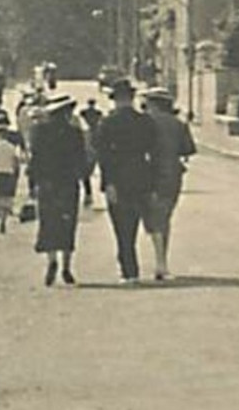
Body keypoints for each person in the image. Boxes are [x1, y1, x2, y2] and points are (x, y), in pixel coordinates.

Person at [93, 78, 159, 284]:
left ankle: (129, 269)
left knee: (121, 227)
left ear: (115, 99)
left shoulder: (108, 122)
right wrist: (153, 183)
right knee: (135, 223)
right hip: (141, 175)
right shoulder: (145, 121)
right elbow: (154, 152)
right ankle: (131, 267)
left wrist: (107, 183)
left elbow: (103, 155)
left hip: (118, 177)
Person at [28, 94, 87, 285]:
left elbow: (34, 159)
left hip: (47, 183)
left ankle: (52, 260)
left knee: (49, 222)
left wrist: (33, 184)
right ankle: (66, 266)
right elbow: (81, 160)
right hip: (68, 183)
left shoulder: (39, 131)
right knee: (67, 223)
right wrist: (85, 186)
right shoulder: (74, 133)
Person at [142, 87, 197, 280]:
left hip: (148, 173)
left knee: (152, 217)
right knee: (164, 217)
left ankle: (159, 262)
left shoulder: (146, 122)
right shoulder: (178, 124)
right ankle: (161, 261)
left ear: (154, 104)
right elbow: (188, 149)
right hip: (172, 174)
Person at [77, 98, 104, 207]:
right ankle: (91, 193)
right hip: (95, 138)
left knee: (86, 170)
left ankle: (89, 194)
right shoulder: (98, 113)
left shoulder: (83, 113)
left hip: (89, 139)